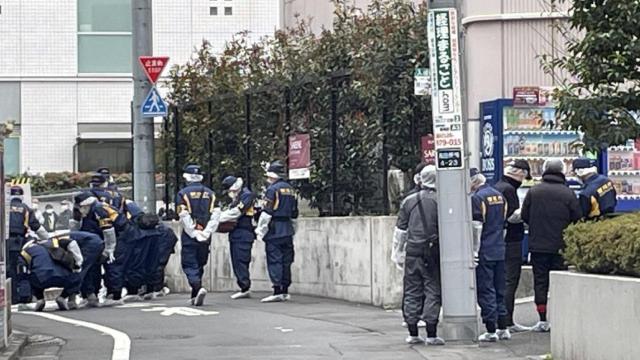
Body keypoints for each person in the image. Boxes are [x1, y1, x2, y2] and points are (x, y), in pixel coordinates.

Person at [522, 159, 581, 332]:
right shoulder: (567, 193)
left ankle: (542, 319)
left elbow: (525, 215)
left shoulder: (534, 191)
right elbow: (577, 217)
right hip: (560, 246)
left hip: (538, 245)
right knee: (559, 281)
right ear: (562, 171)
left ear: (545, 170)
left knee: (540, 282)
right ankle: (560, 317)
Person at [392, 165, 445, 345]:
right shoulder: (443, 200)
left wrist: (398, 253)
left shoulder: (409, 201)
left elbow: (400, 231)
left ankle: (413, 331)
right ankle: (431, 333)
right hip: (433, 251)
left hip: (412, 251)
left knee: (412, 290)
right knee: (432, 289)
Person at [470, 168, 510, 342]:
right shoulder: (499, 196)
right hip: (499, 249)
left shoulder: (477, 198)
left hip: (484, 250)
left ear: (472, 181)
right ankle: (503, 326)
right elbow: (504, 225)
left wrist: (473, 251)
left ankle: (491, 329)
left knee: (486, 290)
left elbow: (476, 227)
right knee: (500, 289)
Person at [493, 160, 532, 333]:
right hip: (511, 240)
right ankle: (507, 320)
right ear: (520, 173)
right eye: (524, 176)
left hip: (497, 240)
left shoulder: (497, 186)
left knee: (499, 280)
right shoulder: (509, 190)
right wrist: (527, 211)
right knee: (510, 280)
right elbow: (512, 217)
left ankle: (497, 318)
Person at [255, 160, 299, 303]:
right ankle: (285, 290)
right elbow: (294, 213)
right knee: (287, 260)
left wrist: (260, 231)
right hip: (288, 229)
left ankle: (277, 290)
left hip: (274, 229)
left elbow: (267, 213)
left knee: (275, 260)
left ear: (271, 176)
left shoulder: (272, 190)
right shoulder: (291, 189)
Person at [176, 164, 220, 306]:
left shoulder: (183, 193)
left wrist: (194, 232)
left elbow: (183, 215)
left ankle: (197, 287)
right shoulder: (210, 193)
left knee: (189, 263)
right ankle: (195, 295)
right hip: (206, 234)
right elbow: (216, 215)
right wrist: (207, 232)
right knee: (200, 262)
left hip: (191, 235)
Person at [72, 191, 120, 307]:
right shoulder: (89, 211)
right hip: (94, 243)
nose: (80, 211)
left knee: (110, 267)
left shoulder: (98, 209)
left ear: (86, 205)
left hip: (105, 242)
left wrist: (109, 249)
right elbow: (77, 228)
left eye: (81, 208)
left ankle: (113, 295)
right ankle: (91, 295)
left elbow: (108, 231)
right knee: (93, 269)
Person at [17, 235, 84, 312]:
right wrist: (78, 263)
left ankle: (40, 299)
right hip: (63, 277)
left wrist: (23, 298)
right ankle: (62, 297)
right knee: (77, 275)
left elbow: (22, 275)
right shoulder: (53, 242)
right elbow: (71, 242)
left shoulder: (24, 252)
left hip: (41, 279)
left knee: (29, 276)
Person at [7, 186, 49, 304]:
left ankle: (10, 297)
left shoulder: (3, 208)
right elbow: (36, 226)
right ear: (21, 196)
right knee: (20, 268)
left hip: (5, 243)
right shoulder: (26, 209)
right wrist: (47, 239)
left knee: (8, 270)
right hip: (20, 243)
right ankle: (22, 296)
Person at [218, 176, 257, 299]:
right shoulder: (238, 197)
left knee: (241, 260)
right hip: (236, 234)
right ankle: (243, 286)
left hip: (244, 233)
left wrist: (218, 218)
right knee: (236, 261)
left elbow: (236, 212)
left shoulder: (246, 195)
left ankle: (245, 287)